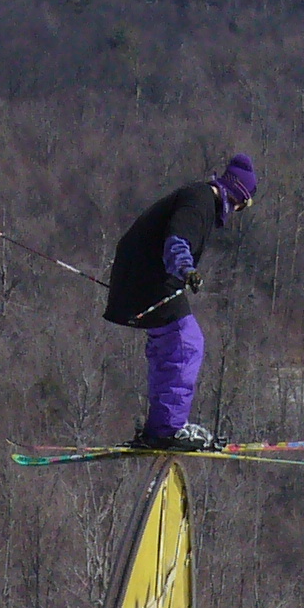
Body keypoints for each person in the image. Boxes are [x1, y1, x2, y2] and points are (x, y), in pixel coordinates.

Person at [104, 154, 258, 449]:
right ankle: (167, 428)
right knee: (186, 343)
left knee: (169, 344)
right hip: (152, 281)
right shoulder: (200, 201)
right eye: (244, 203)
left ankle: (160, 425)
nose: (239, 210)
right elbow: (177, 240)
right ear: (237, 194)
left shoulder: (195, 198)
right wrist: (186, 269)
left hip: (137, 279)